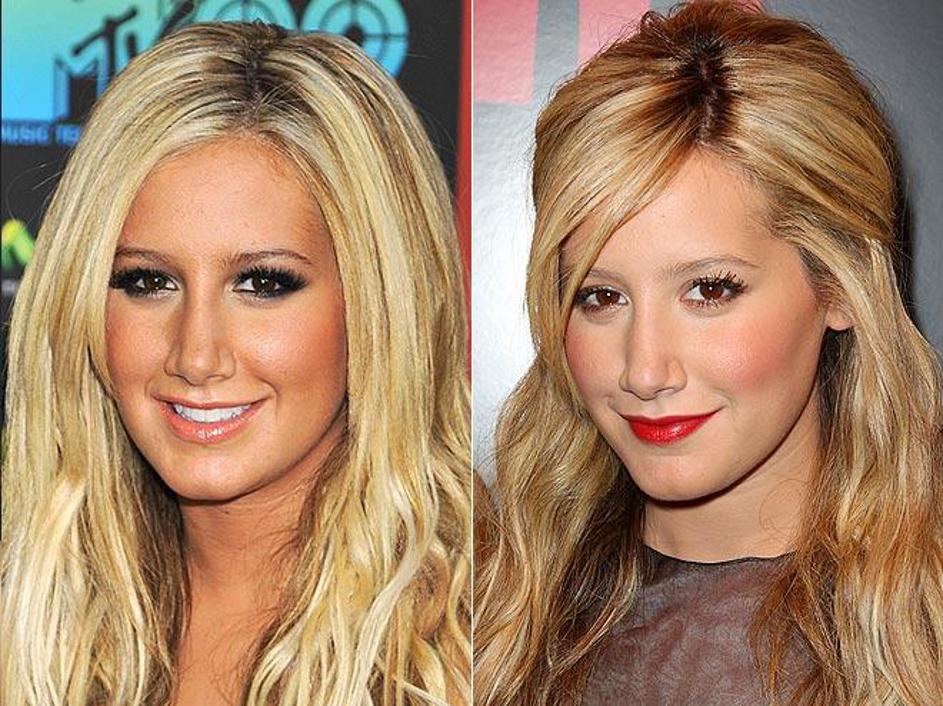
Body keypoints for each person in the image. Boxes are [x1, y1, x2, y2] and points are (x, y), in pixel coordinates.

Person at [474, 2, 942, 705]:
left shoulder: (924, 635)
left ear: (839, 287)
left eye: (709, 290)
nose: (644, 370)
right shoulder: (477, 610)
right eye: (600, 297)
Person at [2, 22, 470, 706]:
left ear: (378, 305)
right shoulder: (33, 628)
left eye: (263, 283)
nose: (196, 357)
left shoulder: (483, 641)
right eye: (147, 281)